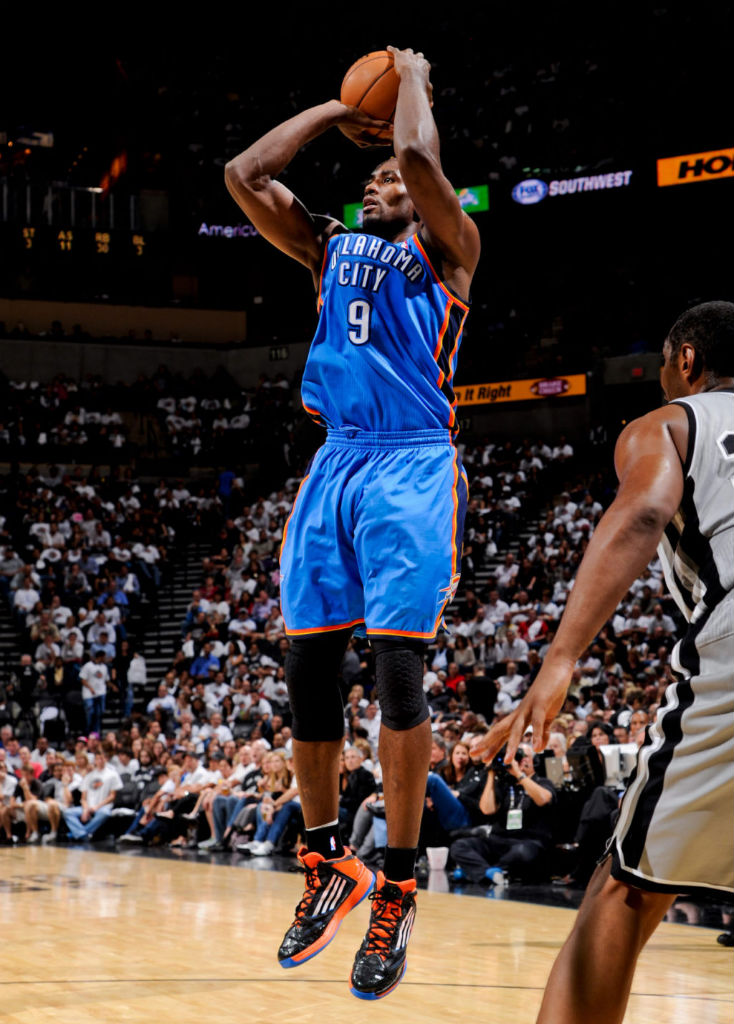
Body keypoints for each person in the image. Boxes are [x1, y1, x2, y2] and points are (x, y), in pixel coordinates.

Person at [224, 45, 479, 1000]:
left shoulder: (450, 249)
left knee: (399, 670)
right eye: (368, 175)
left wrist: (412, 77)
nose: (379, 181)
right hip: (335, 460)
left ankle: (401, 883)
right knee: (307, 671)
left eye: (390, 176)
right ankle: (329, 861)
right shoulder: (331, 247)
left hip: (412, 461)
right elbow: (244, 175)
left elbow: (419, 163)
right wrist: (339, 109)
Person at [477, 300, 734, 1023]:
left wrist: (559, 661)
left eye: (662, 362)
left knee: (624, 892)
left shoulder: (672, 423)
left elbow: (644, 512)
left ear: (687, 361)